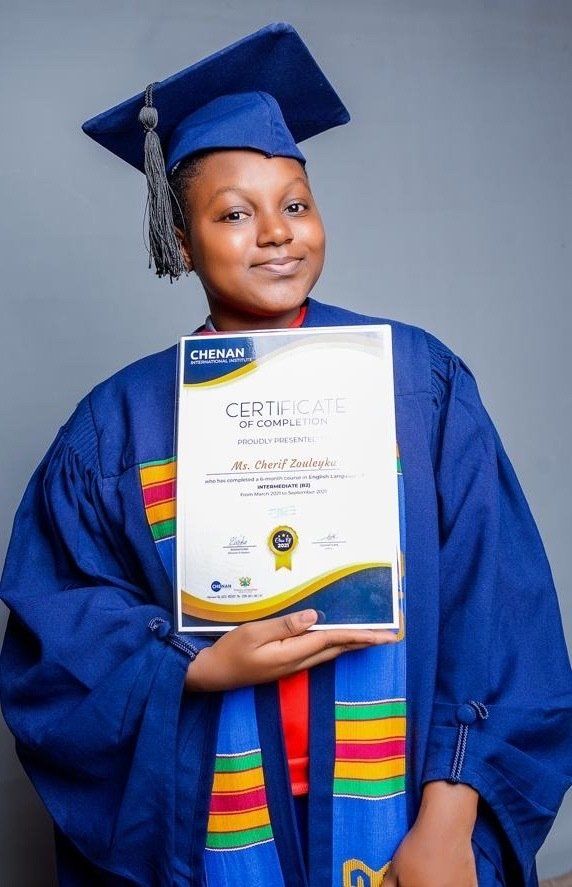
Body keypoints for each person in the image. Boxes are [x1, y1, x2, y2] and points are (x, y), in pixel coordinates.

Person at [0, 21, 571, 887]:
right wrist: (192, 663)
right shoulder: (118, 428)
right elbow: (56, 635)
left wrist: (451, 822)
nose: (275, 233)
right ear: (181, 242)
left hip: (405, 819)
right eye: (234, 213)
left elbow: (499, 607)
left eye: (295, 203)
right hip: (217, 827)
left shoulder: (418, 385)